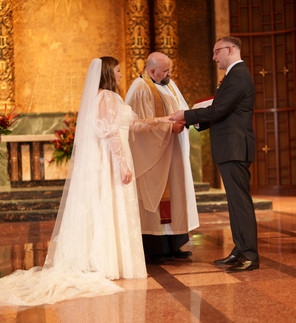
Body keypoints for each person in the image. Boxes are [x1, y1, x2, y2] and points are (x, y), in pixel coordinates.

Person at [0, 57, 172, 306]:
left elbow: (132, 125)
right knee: (109, 208)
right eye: (118, 71)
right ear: (107, 74)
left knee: (110, 209)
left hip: (116, 158)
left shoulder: (108, 97)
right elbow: (110, 131)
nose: (122, 75)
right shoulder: (107, 97)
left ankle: (114, 260)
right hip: (113, 162)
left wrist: (165, 121)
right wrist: (122, 164)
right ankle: (108, 261)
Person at [171, 36, 259, 273]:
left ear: (230, 49)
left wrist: (186, 116)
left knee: (240, 202)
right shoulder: (234, 75)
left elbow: (219, 109)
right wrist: (194, 122)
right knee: (234, 201)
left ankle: (249, 254)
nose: (214, 57)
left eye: (217, 52)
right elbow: (223, 112)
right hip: (231, 146)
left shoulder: (238, 74)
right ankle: (240, 249)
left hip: (235, 146)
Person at [125, 52, 199, 264]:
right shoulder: (140, 89)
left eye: (170, 70)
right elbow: (140, 126)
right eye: (165, 71)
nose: (170, 74)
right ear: (151, 71)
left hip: (173, 152)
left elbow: (182, 108)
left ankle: (174, 244)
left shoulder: (168, 83)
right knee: (155, 200)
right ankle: (156, 248)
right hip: (154, 157)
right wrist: (169, 128)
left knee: (176, 194)